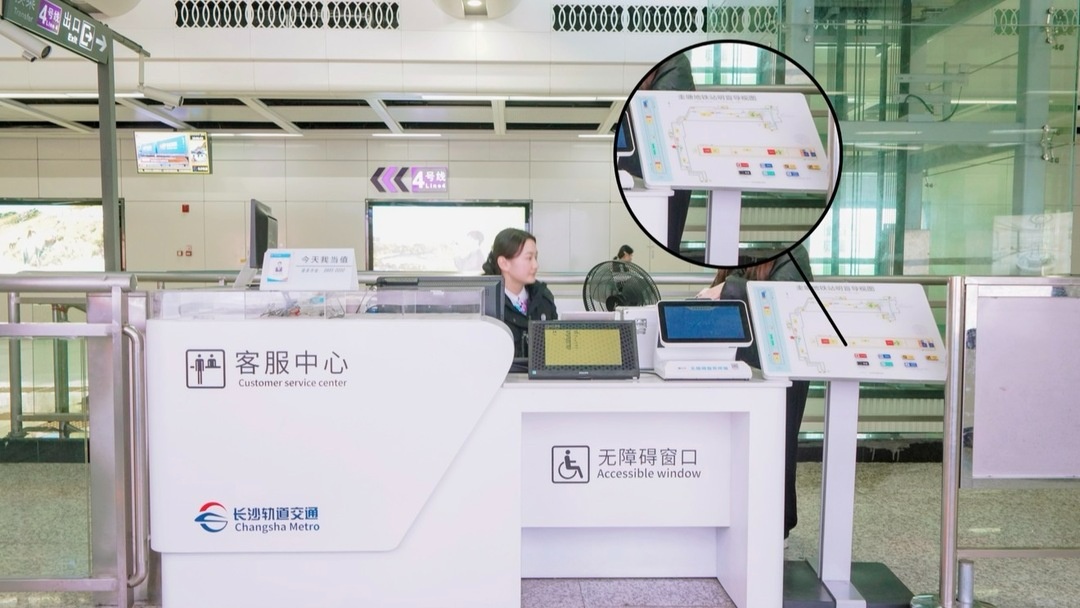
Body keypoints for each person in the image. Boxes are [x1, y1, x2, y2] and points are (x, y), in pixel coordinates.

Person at [697, 246, 812, 543]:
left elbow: (781, 296)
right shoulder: (736, 253)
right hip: (740, 367)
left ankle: (775, 526)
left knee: (776, 447)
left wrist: (727, 288)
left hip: (780, 367)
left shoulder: (792, 254)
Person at [618, 51, 695, 252]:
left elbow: (653, 149)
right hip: (666, 181)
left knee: (667, 237)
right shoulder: (670, 68)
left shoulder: (674, 71)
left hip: (671, 182)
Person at [482, 227, 558, 358]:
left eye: (536, 257)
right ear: (504, 263)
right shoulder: (484, 302)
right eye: (529, 258)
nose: (535, 265)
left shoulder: (543, 297)